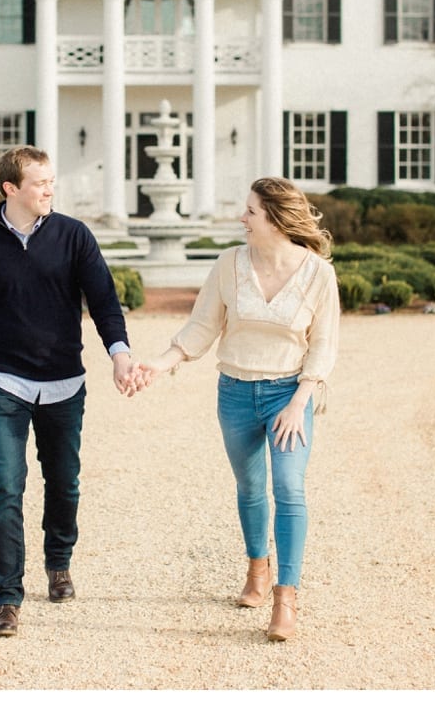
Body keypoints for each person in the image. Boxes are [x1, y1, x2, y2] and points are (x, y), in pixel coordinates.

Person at [134, 177, 340, 641]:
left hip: (290, 396)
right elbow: (202, 327)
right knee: (250, 487)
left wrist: (299, 402)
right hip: (235, 392)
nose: (241, 218)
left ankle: (286, 599)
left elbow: (323, 347)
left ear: (276, 219)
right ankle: (257, 570)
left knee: (289, 488)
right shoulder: (230, 264)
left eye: (250, 212)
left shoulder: (318, 274)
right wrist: (162, 364)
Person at [0, 145, 138, 637]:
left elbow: (104, 301)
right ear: (11, 188)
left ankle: (59, 561)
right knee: (5, 487)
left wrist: (119, 355)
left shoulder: (75, 236)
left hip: (64, 382)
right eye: (40, 182)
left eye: (52, 181)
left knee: (64, 480)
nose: (50, 189)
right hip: (4, 382)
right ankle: (7, 598)